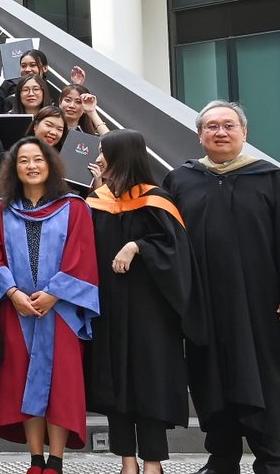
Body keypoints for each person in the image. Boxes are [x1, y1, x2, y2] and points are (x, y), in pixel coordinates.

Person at [162, 101, 280, 474]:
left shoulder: (271, 179)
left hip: (261, 306)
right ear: (199, 135)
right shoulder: (181, 181)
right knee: (208, 381)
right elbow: (166, 240)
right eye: (212, 126)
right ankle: (222, 458)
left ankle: (269, 461)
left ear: (244, 133)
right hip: (204, 306)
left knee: (265, 381)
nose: (220, 132)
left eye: (228, 126)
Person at [84, 130, 204, 474]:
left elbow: (179, 255)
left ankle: (152, 462)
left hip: (151, 315)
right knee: (115, 387)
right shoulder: (98, 201)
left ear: (122, 157)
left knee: (149, 385)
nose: (100, 158)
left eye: (104, 152)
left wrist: (139, 246)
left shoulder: (157, 201)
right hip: (108, 311)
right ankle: (127, 461)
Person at [0, 136, 100, 474]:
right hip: (17, 309)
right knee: (23, 379)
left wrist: (55, 293)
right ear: (14, 168)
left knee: (61, 384)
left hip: (61, 310)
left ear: (50, 164)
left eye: (38, 159)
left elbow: (82, 258)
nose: (32, 166)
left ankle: (56, 461)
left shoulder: (74, 207)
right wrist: (11, 292)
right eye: (23, 161)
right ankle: (36, 459)